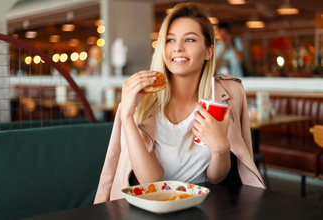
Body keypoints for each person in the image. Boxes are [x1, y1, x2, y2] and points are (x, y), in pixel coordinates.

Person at [94, 3, 265, 203]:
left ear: (209, 51)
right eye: (170, 40)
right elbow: (152, 182)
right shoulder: (141, 102)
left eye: (190, 39)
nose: (178, 48)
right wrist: (127, 117)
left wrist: (221, 149)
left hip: (205, 205)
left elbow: (216, 178)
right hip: (152, 207)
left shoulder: (228, 95)